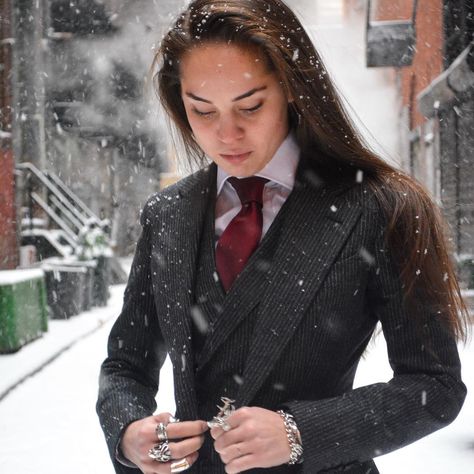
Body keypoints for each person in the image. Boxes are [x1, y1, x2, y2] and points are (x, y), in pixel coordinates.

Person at [97, 1, 469, 473]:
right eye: (202, 110)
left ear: (294, 89)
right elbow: (124, 366)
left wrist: (302, 433)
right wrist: (128, 432)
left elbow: (434, 386)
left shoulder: (382, 210)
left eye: (250, 105)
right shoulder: (165, 216)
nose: (227, 133)